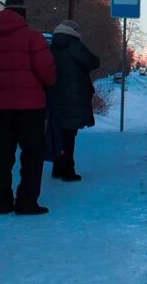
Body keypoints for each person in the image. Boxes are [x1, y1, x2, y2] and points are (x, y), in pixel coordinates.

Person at [0, 0, 56, 215]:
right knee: (32, 156)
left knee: (3, 157)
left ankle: (3, 201)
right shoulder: (32, 38)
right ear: (23, 14)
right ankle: (26, 202)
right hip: (31, 108)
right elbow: (47, 72)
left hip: (1, 109)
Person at [48, 20, 101, 182]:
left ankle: (57, 167)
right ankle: (68, 171)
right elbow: (93, 62)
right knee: (69, 135)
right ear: (74, 31)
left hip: (55, 96)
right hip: (74, 97)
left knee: (58, 133)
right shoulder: (75, 46)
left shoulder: (52, 46)